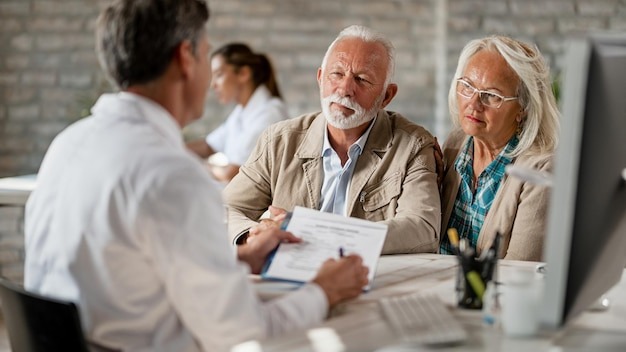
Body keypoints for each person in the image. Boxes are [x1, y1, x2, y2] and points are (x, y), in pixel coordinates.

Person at [23, 1, 369, 351]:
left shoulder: (68, 143)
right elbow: (242, 331)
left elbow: (126, 272)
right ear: (185, 57)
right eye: (206, 55)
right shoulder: (171, 175)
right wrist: (324, 291)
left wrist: (241, 259)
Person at [224, 25, 441, 254]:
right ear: (320, 78)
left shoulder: (413, 146)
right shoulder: (278, 141)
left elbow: (422, 228)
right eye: (337, 74)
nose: (345, 89)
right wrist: (252, 235)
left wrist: (314, 234)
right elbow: (225, 209)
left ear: (386, 96)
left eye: (362, 79)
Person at [438, 35, 560, 261]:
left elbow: (519, 271)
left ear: (523, 108)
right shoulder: (456, 143)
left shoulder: (540, 170)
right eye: (467, 86)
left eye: (491, 95)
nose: (473, 104)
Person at [186, 43, 289, 182]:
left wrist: (194, 164)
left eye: (219, 75)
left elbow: (230, 174)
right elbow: (208, 145)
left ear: (243, 74)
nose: (213, 85)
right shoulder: (241, 112)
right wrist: (171, 148)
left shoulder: (269, 114)